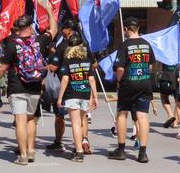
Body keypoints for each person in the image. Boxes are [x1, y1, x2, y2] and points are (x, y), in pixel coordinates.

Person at [0, 3, 57, 166]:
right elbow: (53, 30)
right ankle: (31, 151)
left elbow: (2, 67)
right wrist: (50, 13)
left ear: (18, 27)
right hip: (35, 86)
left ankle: (23, 155)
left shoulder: (12, 43)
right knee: (31, 119)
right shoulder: (40, 40)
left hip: (17, 86)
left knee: (20, 120)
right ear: (30, 26)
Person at [108, 16, 156, 163]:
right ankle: (142, 152)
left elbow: (120, 68)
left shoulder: (125, 45)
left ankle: (121, 150)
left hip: (128, 84)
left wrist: (118, 81)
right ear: (138, 29)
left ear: (126, 29)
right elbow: (151, 66)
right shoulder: (147, 44)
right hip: (145, 83)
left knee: (122, 115)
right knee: (142, 116)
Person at [47, 18, 97, 154]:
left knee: (61, 116)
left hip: (67, 88)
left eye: (63, 28)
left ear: (68, 30)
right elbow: (94, 65)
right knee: (83, 117)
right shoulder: (84, 45)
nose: (62, 31)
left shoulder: (63, 46)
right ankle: (84, 140)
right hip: (84, 87)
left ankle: (59, 142)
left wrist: (43, 66)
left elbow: (54, 67)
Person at [56, 33, 98, 162]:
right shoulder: (87, 61)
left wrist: (60, 97)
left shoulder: (67, 61)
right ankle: (80, 145)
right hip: (85, 94)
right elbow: (91, 79)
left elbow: (65, 79)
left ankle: (79, 151)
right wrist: (95, 96)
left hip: (72, 94)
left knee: (75, 123)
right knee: (81, 122)